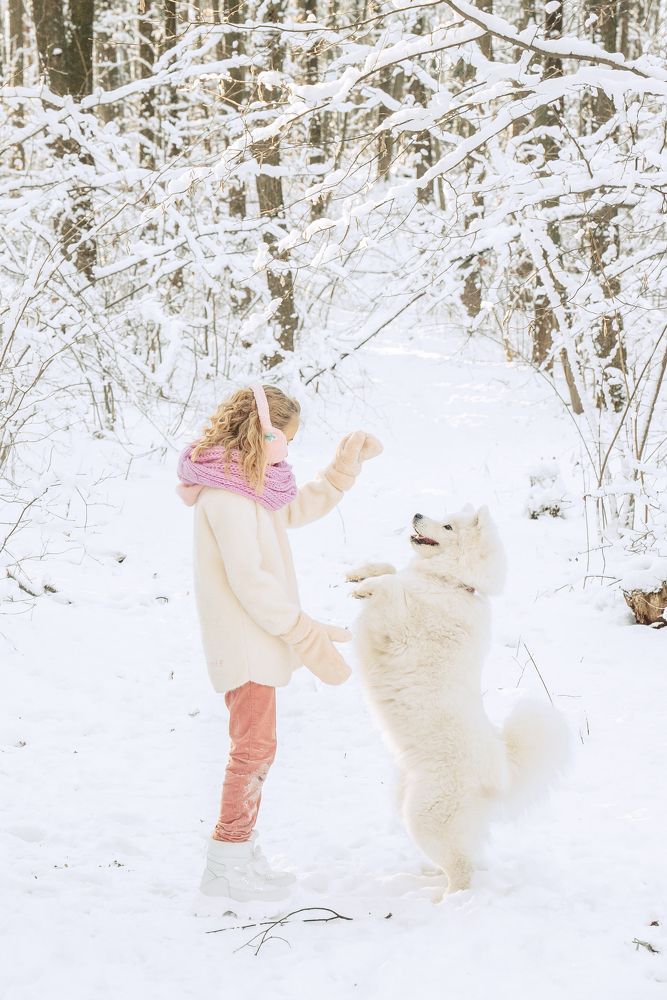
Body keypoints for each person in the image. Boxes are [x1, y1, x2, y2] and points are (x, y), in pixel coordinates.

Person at [176, 383, 382, 904]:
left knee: (259, 748)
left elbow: (293, 509)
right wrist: (302, 630)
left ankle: (241, 854)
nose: (287, 450)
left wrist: (341, 470)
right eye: (285, 439)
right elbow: (249, 580)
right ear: (263, 433)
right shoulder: (225, 495)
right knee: (252, 750)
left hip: (261, 635)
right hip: (245, 638)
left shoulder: (248, 484)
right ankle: (226, 859)